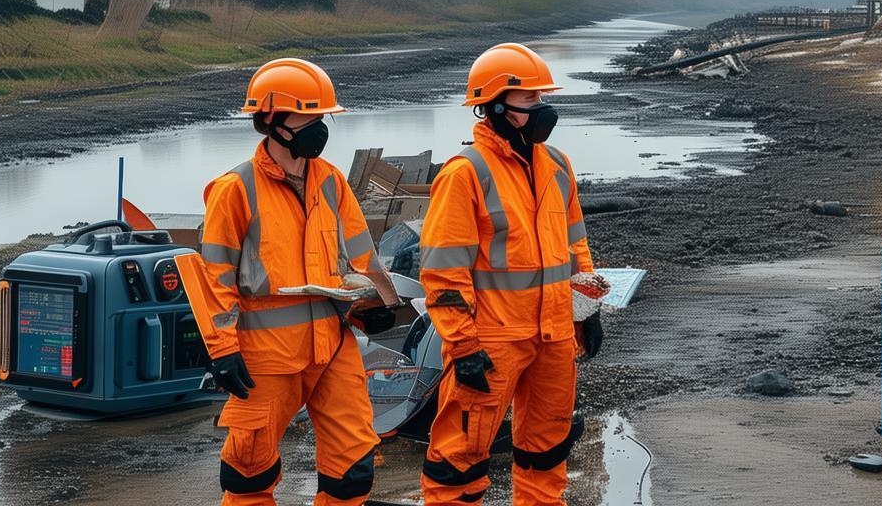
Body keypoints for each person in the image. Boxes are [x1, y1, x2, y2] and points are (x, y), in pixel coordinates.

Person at [177, 57, 399, 505]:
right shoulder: (236, 189)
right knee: (249, 472)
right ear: (274, 121)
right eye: (310, 117)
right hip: (266, 356)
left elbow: (361, 260)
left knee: (352, 471)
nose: (320, 127)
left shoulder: (332, 182)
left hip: (333, 346)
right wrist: (222, 351)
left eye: (323, 117)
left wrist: (378, 306)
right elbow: (215, 279)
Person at [418, 43, 602, 505]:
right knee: (460, 456)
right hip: (492, 339)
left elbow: (574, 245)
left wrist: (587, 310)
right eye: (531, 101)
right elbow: (443, 272)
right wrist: (462, 346)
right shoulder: (466, 174)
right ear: (497, 106)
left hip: (555, 332)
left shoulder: (556, 164)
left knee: (549, 450)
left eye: (542, 98)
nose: (543, 109)